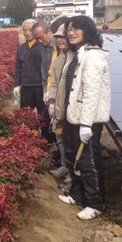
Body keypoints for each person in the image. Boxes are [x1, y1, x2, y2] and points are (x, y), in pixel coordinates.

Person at [57, 15, 111, 220]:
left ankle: (96, 203)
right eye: (69, 29)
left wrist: (87, 124)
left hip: (87, 120)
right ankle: (77, 194)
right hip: (74, 118)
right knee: (73, 158)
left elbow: (91, 93)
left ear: (87, 31)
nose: (71, 32)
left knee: (88, 161)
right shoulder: (76, 54)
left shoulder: (93, 56)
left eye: (76, 28)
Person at [46, 23, 74, 189]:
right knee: (59, 137)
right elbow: (54, 81)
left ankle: (71, 180)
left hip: (70, 108)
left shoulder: (75, 57)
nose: (61, 40)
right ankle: (64, 167)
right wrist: (51, 100)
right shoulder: (59, 58)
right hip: (58, 106)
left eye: (63, 37)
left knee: (71, 143)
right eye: (59, 37)